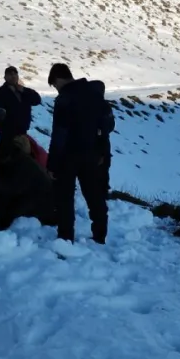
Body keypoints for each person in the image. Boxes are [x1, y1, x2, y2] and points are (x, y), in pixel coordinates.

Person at [46, 63, 113, 244]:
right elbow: (107, 124)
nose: (56, 89)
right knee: (94, 195)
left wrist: (52, 164)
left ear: (58, 78)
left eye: (54, 84)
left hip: (69, 156)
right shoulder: (94, 93)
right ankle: (100, 236)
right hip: (92, 154)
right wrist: (101, 151)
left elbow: (59, 134)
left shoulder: (65, 99)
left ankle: (66, 238)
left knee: (65, 198)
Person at [0, 139, 57, 230]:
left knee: (10, 211)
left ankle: (1, 229)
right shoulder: (15, 159)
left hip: (42, 201)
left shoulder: (20, 165)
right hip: (33, 194)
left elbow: (11, 188)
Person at [0, 66, 42, 156]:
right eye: (10, 74)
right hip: (7, 136)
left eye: (15, 74)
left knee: (25, 161)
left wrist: (24, 91)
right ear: (5, 77)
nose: (13, 76)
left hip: (22, 134)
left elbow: (37, 100)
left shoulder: (24, 91)